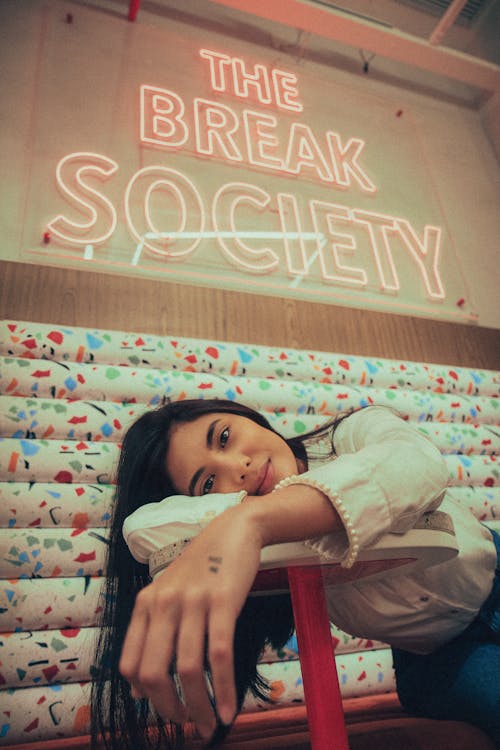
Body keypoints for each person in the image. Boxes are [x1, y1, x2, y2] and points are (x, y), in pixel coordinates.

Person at [91, 399, 499, 750]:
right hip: (438, 658)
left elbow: (415, 464)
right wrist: (225, 525)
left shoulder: (352, 435)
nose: (241, 467)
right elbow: (143, 527)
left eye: (225, 437)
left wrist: (253, 519)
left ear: (245, 416)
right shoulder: (252, 548)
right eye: (208, 482)